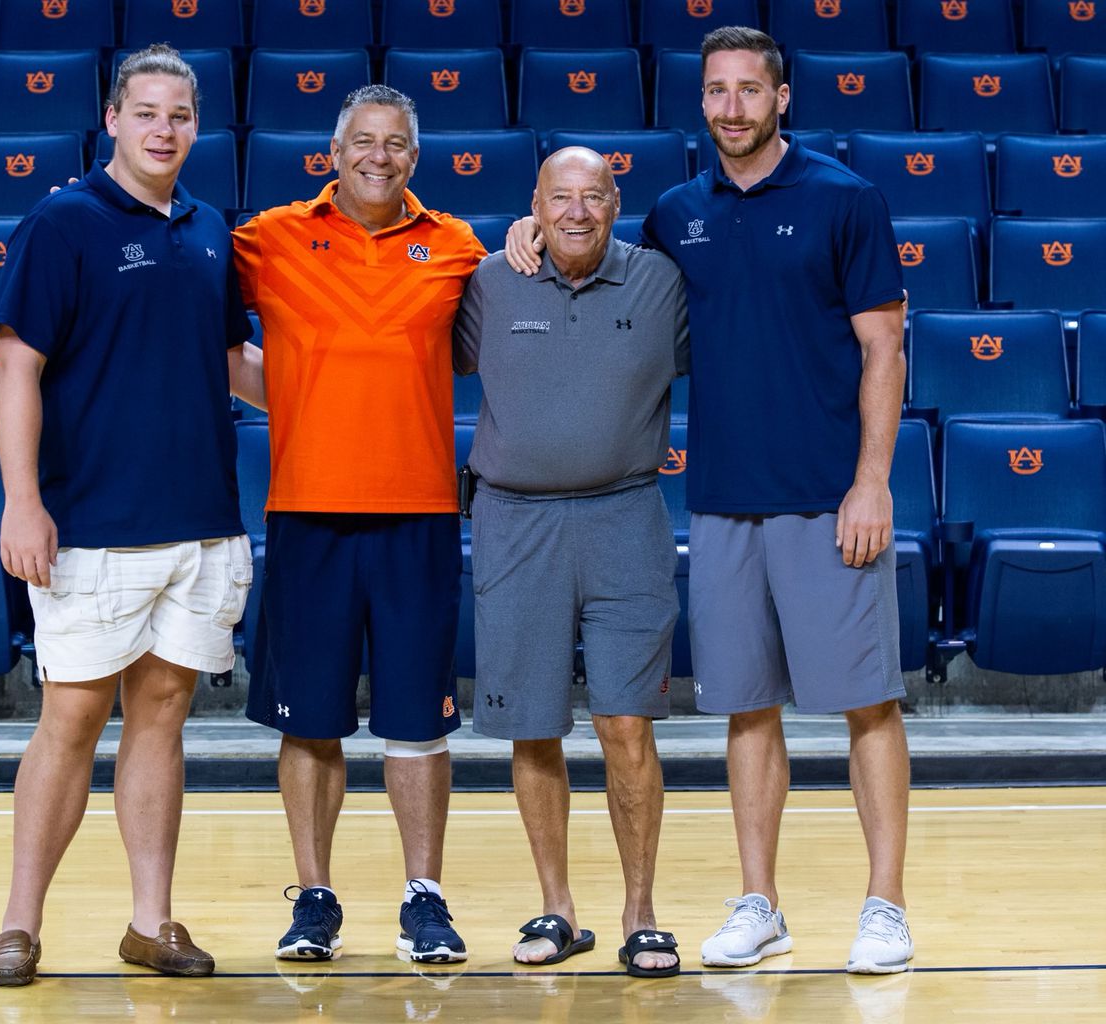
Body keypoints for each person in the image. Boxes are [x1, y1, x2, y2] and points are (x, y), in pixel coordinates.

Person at [506, 26, 914, 975]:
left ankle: (885, 905)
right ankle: (759, 901)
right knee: (746, 708)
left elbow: (885, 350)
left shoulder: (845, 199)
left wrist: (871, 482)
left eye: (749, 91)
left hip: (827, 496)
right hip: (724, 503)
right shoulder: (675, 215)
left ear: (781, 99)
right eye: (716, 92)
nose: (731, 107)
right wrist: (526, 230)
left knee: (868, 705)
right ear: (702, 104)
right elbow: (598, 269)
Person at [0, 44, 265, 986]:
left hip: (200, 523)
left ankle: (152, 922)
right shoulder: (62, 222)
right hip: (92, 523)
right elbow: (17, 365)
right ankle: (19, 922)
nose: (163, 129)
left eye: (179, 115)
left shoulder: (209, 228)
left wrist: (365, 381)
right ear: (113, 119)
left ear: (197, 126)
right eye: (146, 112)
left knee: (162, 719)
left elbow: (235, 365)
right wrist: (23, 502)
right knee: (70, 719)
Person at [230, 85, 486, 964]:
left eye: (398, 144)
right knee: (312, 723)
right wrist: (296, 397)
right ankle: (314, 899)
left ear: (416, 157)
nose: (380, 156)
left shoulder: (455, 246)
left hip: (418, 514)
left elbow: (517, 332)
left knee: (419, 723)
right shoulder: (268, 239)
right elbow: (207, 331)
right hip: (307, 511)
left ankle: (425, 898)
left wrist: (527, 235)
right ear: (331, 152)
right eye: (364, 141)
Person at [454, 148, 688, 977]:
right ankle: (557, 908)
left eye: (594, 196)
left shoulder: (663, 284)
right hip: (516, 523)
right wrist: (508, 239)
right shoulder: (489, 281)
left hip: (627, 516)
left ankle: (642, 912)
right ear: (535, 207)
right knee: (534, 724)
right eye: (561, 198)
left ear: (618, 202)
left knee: (627, 722)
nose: (578, 212)